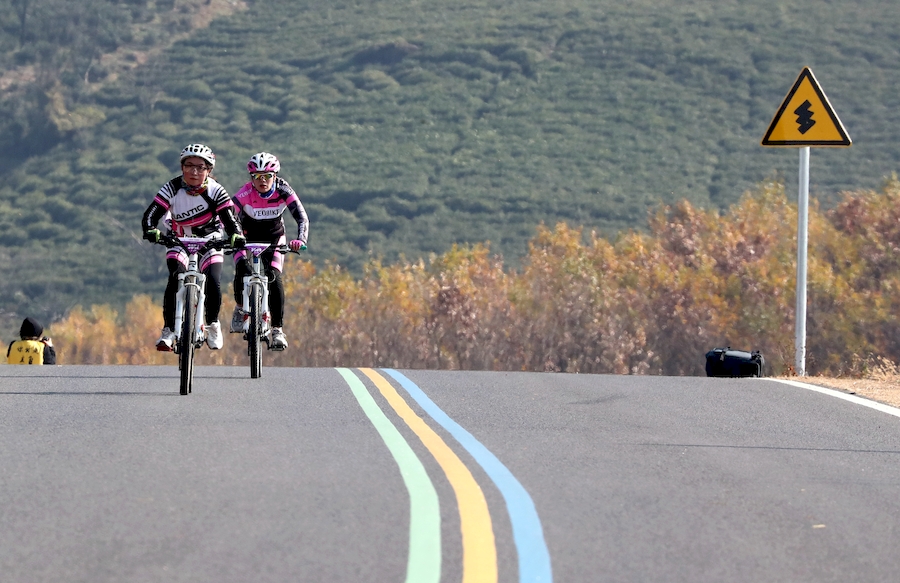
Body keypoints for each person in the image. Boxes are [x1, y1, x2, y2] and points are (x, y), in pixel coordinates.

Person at [141, 144, 246, 351]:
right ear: (182, 168)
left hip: (210, 240)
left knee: (213, 280)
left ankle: (213, 324)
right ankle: (169, 329)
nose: (194, 172)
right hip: (179, 239)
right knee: (174, 278)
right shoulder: (171, 188)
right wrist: (151, 230)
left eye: (200, 167)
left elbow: (230, 219)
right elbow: (150, 215)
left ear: (209, 170)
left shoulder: (216, 191)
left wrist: (236, 235)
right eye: (189, 166)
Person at [230, 152, 308, 350]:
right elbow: (227, 216)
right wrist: (230, 236)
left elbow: (301, 217)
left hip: (274, 238)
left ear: (275, 176)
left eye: (267, 176)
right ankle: (240, 308)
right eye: (257, 177)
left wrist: (300, 239)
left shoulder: (284, 190)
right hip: (246, 237)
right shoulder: (245, 193)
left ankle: (277, 330)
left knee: (274, 277)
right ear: (251, 178)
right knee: (242, 269)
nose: (262, 181)